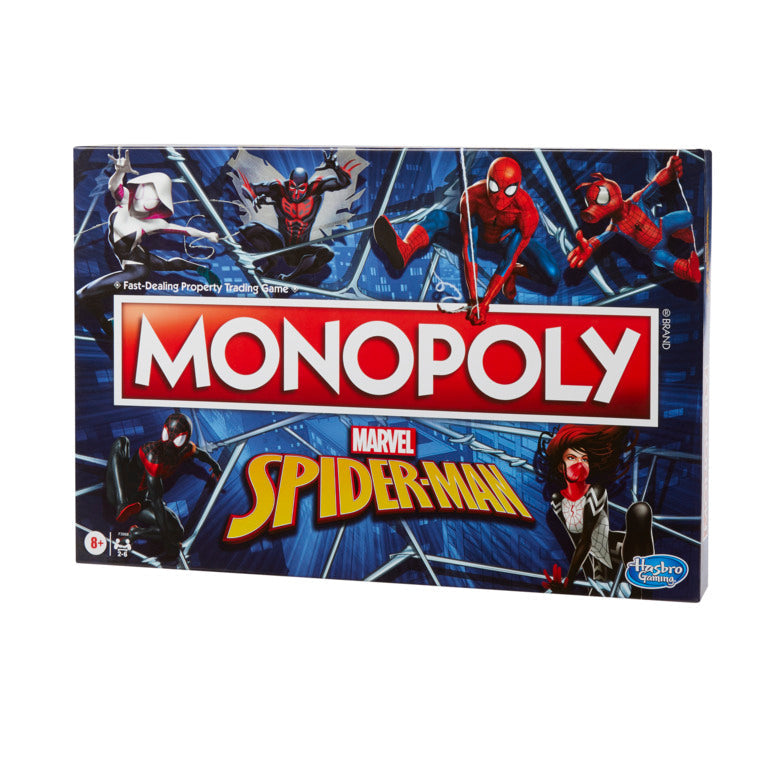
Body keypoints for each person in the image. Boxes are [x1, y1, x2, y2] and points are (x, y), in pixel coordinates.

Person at [535, 424, 654, 593]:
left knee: (640, 510)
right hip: (591, 564)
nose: (579, 463)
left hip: (618, 553)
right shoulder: (557, 501)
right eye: (572, 458)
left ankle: (640, 590)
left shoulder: (595, 491)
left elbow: (586, 540)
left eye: (584, 459)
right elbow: (574, 542)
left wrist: (568, 582)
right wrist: (570, 582)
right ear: (561, 466)